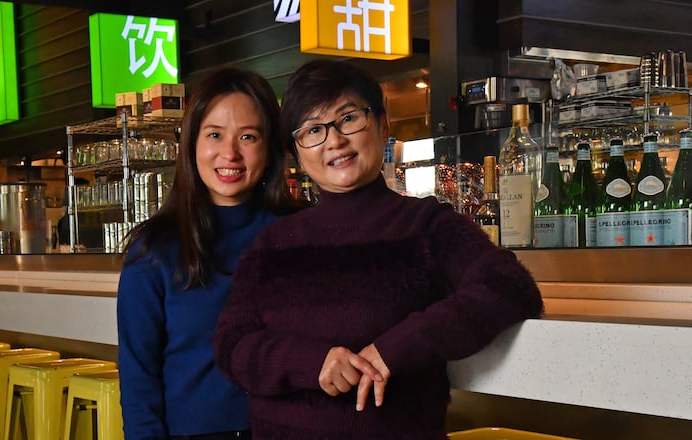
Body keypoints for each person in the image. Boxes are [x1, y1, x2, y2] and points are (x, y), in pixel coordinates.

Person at [213, 60, 544, 439]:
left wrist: (397, 348)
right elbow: (232, 344)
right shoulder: (274, 243)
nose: (334, 141)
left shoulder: (426, 226)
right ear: (297, 152)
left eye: (349, 118)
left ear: (383, 125)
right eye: (314, 130)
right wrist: (312, 362)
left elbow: (509, 285)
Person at [117, 66, 302, 439]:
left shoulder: (299, 235)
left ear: (270, 148)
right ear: (192, 144)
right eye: (214, 134)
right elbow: (139, 378)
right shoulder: (153, 250)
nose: (229, 153)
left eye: (248, 136)